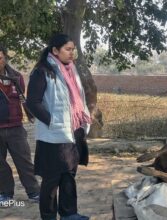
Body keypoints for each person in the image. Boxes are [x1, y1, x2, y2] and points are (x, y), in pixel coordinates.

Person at [26, 34, 91, 220]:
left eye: (73, 49)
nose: (72, 53)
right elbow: (33, 103)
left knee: (69, 174)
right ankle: (48, 216)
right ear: (55, 50)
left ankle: (69, 213)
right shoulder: (42, 71)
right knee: (52, 179)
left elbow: (79, 98)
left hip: (74, 131)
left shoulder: (72, 70)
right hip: (53, 136)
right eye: (68, 49)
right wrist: (53, 121)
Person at [0, 45, 40, 205]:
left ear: (5, 58)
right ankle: (5, 193)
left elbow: (22, 98)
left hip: (16, 127)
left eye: (0, 57)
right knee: (0, 165)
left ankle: (34, 192)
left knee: (24, 161)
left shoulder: (16, 77)